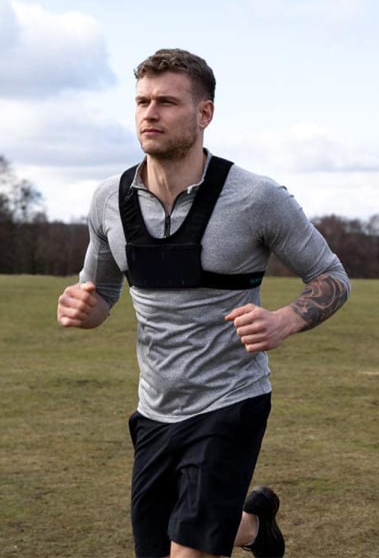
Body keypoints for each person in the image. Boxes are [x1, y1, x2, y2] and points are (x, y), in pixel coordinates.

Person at [57, 48, 350, 558]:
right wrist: (86, 311)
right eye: (142, 101)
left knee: (188, 550)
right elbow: (102, 292)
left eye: (167, 102)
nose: (150, 113)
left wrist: (285, 320)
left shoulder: (256, 198)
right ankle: (254, 529)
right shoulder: (109, 199)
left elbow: (332, 276)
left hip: (230, 404)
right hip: (154, 411)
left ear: (204, 114)